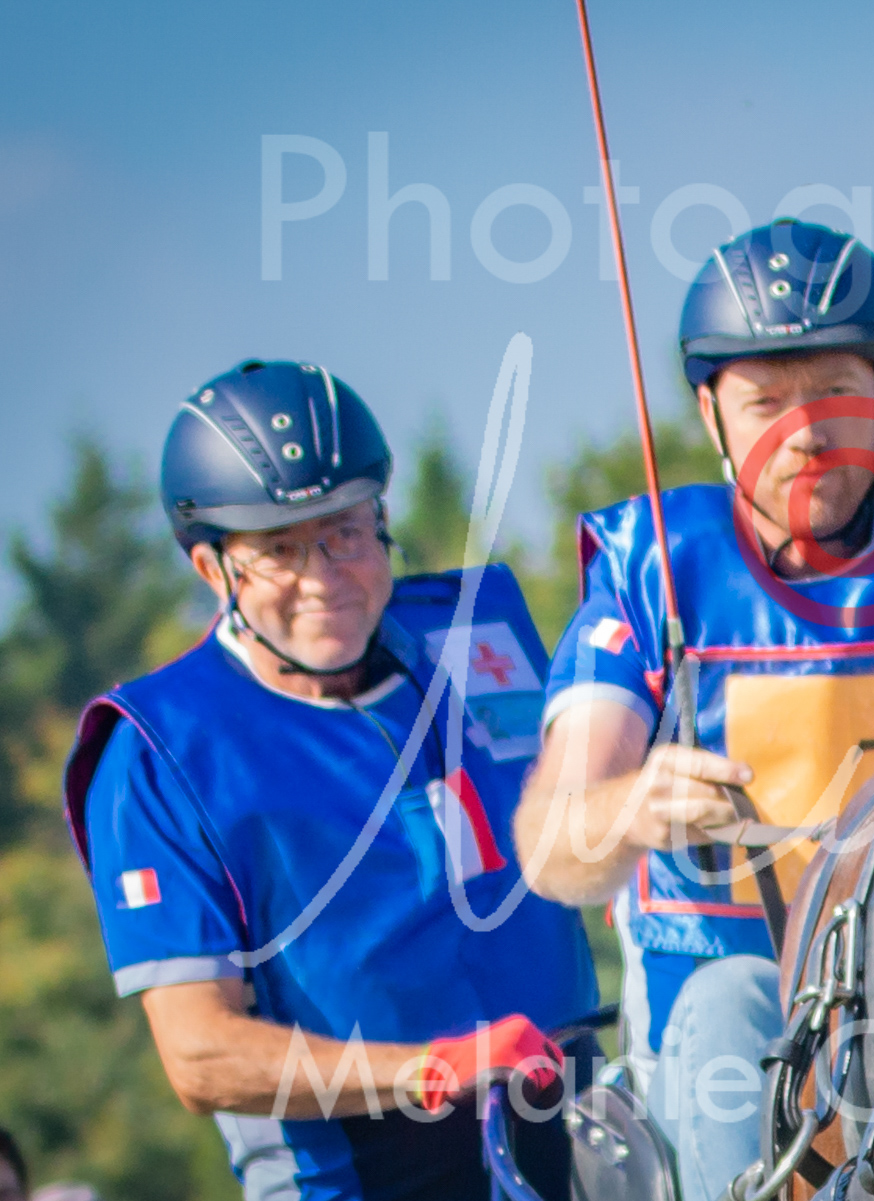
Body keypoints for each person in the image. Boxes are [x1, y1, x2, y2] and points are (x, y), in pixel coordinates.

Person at [516, 220, 874, 1200]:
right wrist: (628, 806)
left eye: (833, 394)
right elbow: (550, 848)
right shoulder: (650, 567)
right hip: (733, 1014)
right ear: (710, 413)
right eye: (765, 402)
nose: (804, 432)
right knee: (735, 1001)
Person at [62, 360, 599, 1201]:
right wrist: (432, 1068)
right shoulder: (154, 752)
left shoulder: (473, 630)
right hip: (354, 1170)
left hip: (572, 1119)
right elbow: (200, 1054)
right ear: (213, 568)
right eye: (279, 549)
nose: (322, 579)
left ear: (381, 519)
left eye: (344, 532)